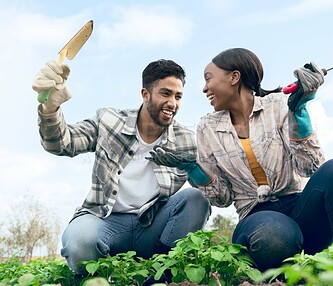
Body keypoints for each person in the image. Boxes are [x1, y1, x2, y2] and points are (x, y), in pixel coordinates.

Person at [147, 48, 333, 272]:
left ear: (234, 77)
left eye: (208, 79)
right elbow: (222, 198)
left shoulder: (280, 104)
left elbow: (309, 167)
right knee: (274, 236)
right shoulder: (208, 127)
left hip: (300, 208)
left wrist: (298, 112)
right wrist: (193, 168)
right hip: (256, 217)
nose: (204, 88)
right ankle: (289, 264)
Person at [32, 59, 211, 275]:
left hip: (152, 225)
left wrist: (193, 168)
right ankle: (103, 276)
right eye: (165, 93)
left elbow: (210, 191)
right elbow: (62, 143)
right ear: (145, 94)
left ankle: (161, 273)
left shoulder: (186, 140)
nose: (173, 102)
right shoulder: (110, 121)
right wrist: (50, 108)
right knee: (79, 241)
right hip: (105, 221)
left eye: (178, 96)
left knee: (195, 199)